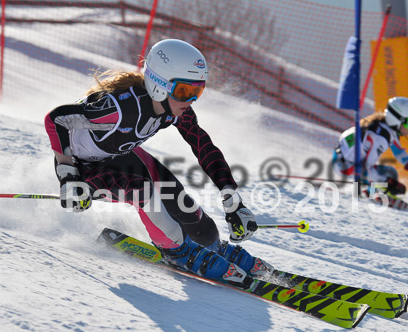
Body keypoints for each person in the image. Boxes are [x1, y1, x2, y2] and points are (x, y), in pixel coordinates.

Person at [44, 38, 273, 288]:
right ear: (159, 86)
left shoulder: (174, 109)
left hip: (117, 156)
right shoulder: (120, 108)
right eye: (185, 91)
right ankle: (177, 251)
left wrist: (232, 198)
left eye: (198, 91)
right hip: (82, 168)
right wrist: (68, 176)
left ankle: (213, 247)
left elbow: (203, 146)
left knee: (183, 204)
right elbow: (56, 119)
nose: (191, 100)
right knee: (144, 192)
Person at [332, 96, 408, 197]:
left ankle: (371, 191)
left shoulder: (383, 126)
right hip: (346, 169)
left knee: (390, 172)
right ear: (398, 120)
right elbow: (366, 170)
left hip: (341, 160)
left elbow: (398, 151)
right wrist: (388, 182)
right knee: (389, 174)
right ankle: (368, 194)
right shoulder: (380, 138)